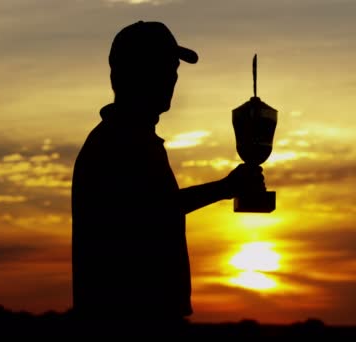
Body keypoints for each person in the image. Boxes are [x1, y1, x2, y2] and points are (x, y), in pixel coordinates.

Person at [71, 21, 264, 336]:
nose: (171, 78)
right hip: (129, 319)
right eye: (160, 67)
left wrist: (226, 187)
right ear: (129, 73)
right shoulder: (119, 141)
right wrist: (226, 188)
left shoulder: (132, 138)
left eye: (172, 69)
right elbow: (150, 211)